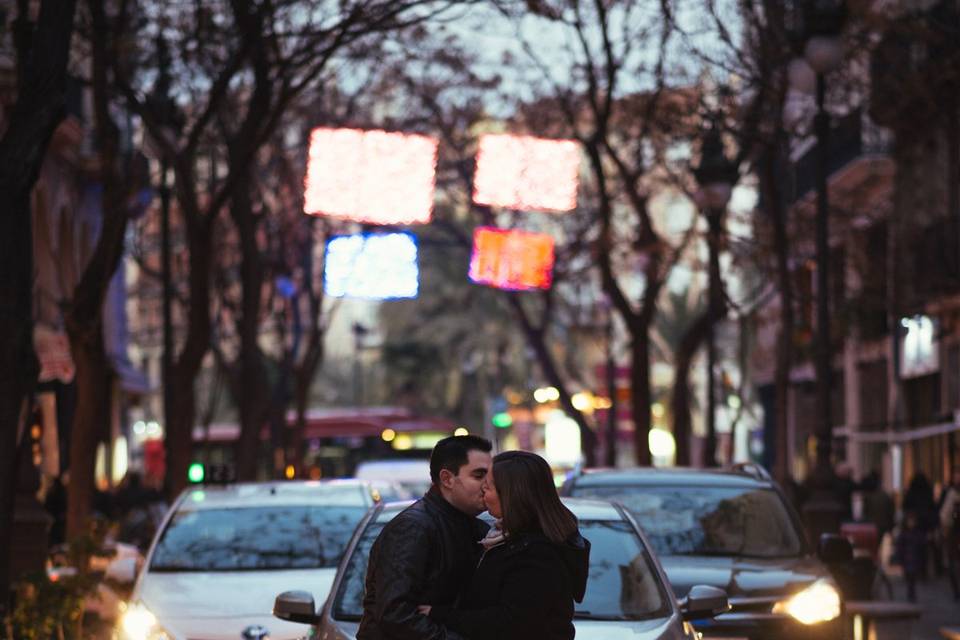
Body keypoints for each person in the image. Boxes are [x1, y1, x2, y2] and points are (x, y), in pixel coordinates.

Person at [423, 451, 590, 640]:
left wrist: (440, 614)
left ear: (512, 494)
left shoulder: (537, 553)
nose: (482, 492)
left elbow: (510, 622)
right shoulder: (503, 539)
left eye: (488, 487)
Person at [357, 435, 492, 640]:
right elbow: (395, 613)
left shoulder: (475, 528)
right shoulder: (414, 528)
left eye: (490, 476)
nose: (487, 485)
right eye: (478, 475)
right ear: (447, 479)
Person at [894, 510, 927, 602]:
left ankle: (912, 594)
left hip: (914, 559)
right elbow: (900, 548)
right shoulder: (904, 534)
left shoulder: (917, 534)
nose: (911, 523)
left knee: (912, 578)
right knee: (909, 578)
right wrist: (899, 559)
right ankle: (910, 594)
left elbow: (921, 546)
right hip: (907, 560)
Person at [939, 468, 960, 601]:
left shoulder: (951, 493)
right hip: (954, 533)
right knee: (953, 562)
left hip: (954, 532)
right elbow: (944, 515)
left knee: (954, 562)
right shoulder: (951, 493)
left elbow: (944, 516)